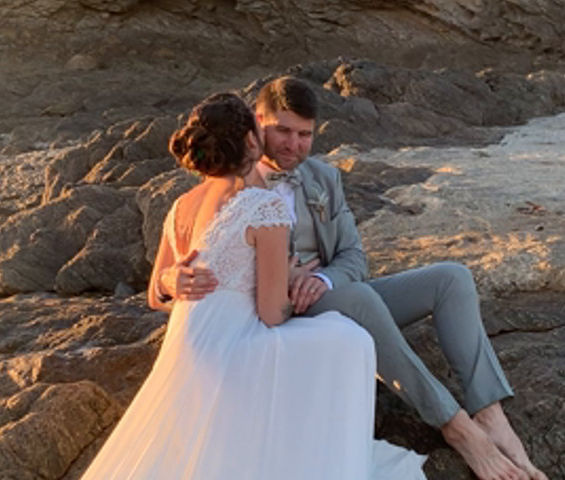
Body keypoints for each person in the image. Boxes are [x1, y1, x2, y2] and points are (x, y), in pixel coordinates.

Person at [157, 77, 549, 480]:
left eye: (305, 135)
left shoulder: (324, 178)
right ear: (258, 125)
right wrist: (171, 279)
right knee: (360, 300)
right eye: (284, 131)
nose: (294, 145)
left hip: (331, 294)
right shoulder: (227, 183)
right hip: (274, 317)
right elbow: (196, 260)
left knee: (452, 278)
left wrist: (324, 281)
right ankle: (457, 426)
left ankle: (490, 412)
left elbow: (353, 257)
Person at [82, 92, 426, 479]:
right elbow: (271, 313)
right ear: (249, 140)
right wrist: (293, 279)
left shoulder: (181, 205)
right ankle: (314, 459)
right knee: (350, 340)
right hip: (234, 346)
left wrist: (167, 280)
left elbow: (155, 297)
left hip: (189, 342)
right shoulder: (263, 206)